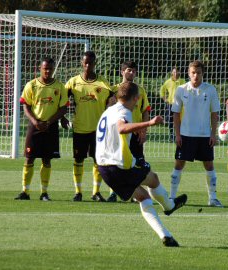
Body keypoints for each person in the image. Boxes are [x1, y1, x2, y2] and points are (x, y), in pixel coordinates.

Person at [96, 81, 187, 247]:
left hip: (103, 168)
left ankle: (166, 236)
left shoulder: (109, 111)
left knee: (143, 197)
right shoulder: (124, 111)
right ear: (136, 98)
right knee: (153, 178)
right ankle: (169, 206)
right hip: (117, 166)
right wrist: (149, 123)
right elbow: (122, 128)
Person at [64, 51, 115, 202]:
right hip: (79, 128)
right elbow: (61, 99)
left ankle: (96, 192)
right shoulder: (73, 82)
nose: (88, 66)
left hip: (98, 131)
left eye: (91, 63)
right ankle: (78, 191)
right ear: (82, 63)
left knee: (97, 161)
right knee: (78, 160)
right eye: (85, 63)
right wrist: (62, 116)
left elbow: (112, 101)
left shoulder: (103, 83)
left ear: (94, 64)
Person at [169, 60, 223, 207]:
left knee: (209, 165)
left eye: (198, 73)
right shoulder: (181, 89)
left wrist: (213, 134)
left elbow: (214, 113)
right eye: (193, 73)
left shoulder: (210, 89)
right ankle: (172, 197)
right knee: (179, 164)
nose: (196, 76)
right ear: (188, 73)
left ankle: (212, 198)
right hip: (186, 135)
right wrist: (178, 135)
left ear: (202, 73)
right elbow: (175, 114)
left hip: (204, 135)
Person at [15, 57, 68, 201]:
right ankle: (25, 192)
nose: (48, 71)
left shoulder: (59, 86)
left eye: (50, 68)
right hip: (35, 126)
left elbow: (63, 107)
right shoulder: (31, 85)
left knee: (47, 160)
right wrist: (35, 121)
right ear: (40, 68)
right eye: (45, 68)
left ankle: (44, 193)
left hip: (51, 127)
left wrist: (49, 121)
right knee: (29, 159)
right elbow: (25, 105)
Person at [107, 61, 151, 202]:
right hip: (119, 133)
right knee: (116, 161)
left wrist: (143, 130)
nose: (131, 73)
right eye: (128, 70)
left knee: (137, 163)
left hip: (136, 132)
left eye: (133, 71)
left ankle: (135, 193)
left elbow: (145, 111)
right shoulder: (114, 90)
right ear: (122, 72)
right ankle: (113, 193)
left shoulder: (140, 90)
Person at [160, 67, 186, 141]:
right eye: (174, 72)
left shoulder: (183, 81)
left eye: (177, 72)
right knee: (171, 120)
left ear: (179, 73)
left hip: (181, 105)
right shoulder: (168, 82)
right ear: (171, 73)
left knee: (181, 119)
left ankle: (181, 135)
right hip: (171, 104)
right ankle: (171, 135)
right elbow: (162, 91)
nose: (175, 73)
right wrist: (165, 99)